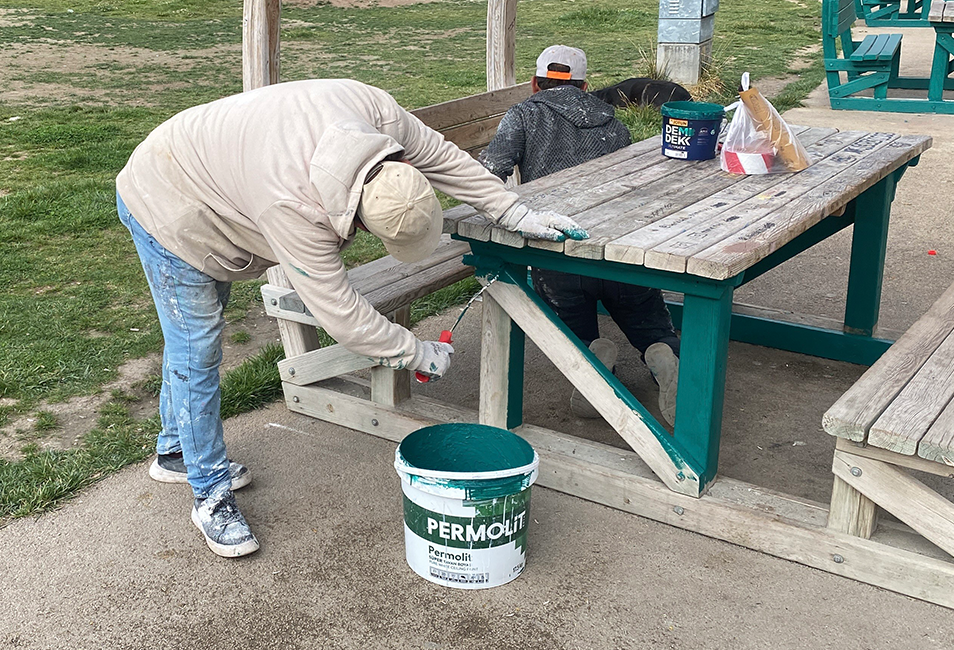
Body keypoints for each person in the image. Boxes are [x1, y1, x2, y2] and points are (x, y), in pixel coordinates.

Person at [117, 79, 586, 558]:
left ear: (404, 164)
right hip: (168, 200)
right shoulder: (293, 207)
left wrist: (513, 210)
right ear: (358, 221)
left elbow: (444, 158)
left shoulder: (376, 112)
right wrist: (416, 352)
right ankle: (209, 493)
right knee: (196, 349)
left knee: (191, 344)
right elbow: (341, 315)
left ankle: (175, 452)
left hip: (219, 162)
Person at [480, 46, 680, 426]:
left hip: (557, 258)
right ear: (585, 86)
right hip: (618, 253)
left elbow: (489, 174)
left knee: (570, 329)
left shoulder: (523, 114)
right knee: (647, 318)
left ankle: (591, 357)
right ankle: (661, 351)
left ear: (535, 84)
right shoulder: (612, 122)